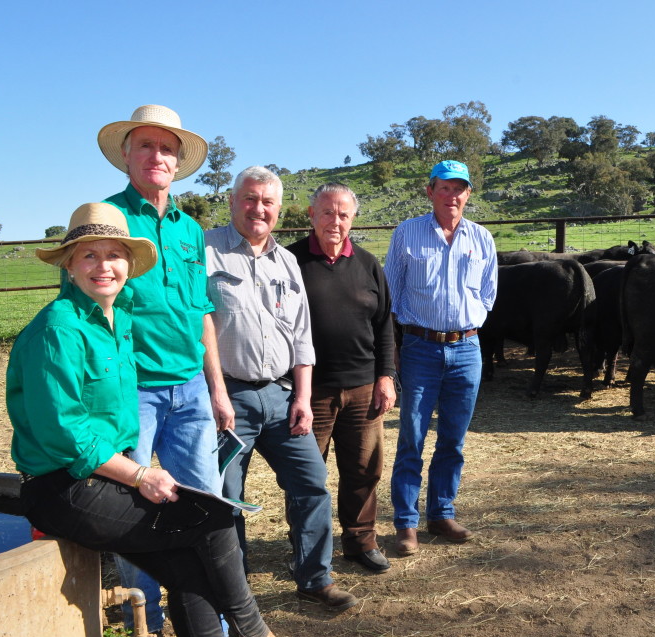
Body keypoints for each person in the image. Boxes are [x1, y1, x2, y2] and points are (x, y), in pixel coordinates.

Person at [7, 203, 307, 637]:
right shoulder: (58, 330)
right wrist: (140, 474)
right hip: (64, 485)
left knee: (189, 571)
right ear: (68, 264)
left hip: (104, 478)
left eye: (114, 255)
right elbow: (66, 434)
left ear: (129, 263)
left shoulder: (118, 319)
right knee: (212, 518)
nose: (103, 266)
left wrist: (136, 469)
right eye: (89, 255)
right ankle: (253, 634)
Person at [98, 104, 232, 634]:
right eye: (147, 145)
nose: (158, 156)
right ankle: (143, 624)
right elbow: (88, 311)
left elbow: (201, 312)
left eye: (168, 148)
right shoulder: (107, 219)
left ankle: (214, 623)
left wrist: (217, 389)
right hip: (131, 389)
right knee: (135, 505)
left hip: (191, 388)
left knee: (204, 503)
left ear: (178, 163)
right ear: (127, 156)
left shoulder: (190, 230)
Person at [205, 167, 356, 610]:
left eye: (268, 202)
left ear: (278, 209)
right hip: (227, 397)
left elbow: (302, 336)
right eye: (250, 199)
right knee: (225, 497)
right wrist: (214, 392)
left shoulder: (286, 261)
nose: (259, 209)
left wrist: (303, 398)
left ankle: (314, 577)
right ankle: (234, 590)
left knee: (312, 484)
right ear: (233, 201)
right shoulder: (205, 252)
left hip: (281, 395)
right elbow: (197, 327)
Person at [384, 160, 497, 556]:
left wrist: (469, 324)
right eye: (444, 188)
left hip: (467, 348)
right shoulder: (407, 233)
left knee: (454, 438)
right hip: (421, 347)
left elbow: (488, 294)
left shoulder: (482, 238)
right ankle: (406, 523)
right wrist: (397, 344)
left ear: (469, 194)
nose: (452, 196)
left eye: (459, 188)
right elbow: (391, 294)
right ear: (430, 192)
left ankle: (441, 513)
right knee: (411, 437)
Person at [286, 183, 396, 574]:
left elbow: (384, 325)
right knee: (306, 475)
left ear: (353, 218)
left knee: (364, 469)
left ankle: (361, 540)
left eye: (343, 214)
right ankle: (308, 548)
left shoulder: (368, 264)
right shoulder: (289, 260)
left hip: (363, 386)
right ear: (312, 215)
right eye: (327, 213)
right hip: (309, 390)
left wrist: (386, 376)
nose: (336, 221)